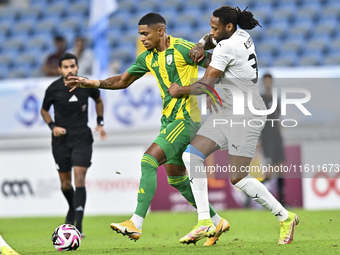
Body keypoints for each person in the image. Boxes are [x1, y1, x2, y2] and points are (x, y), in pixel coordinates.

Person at [65, 13, 228, 245]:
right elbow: (123, 80)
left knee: (148, 160)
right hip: (169, 120)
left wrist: (191, 85)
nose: (142, 38)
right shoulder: (148, 58)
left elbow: (217, 68)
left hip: (185, 120)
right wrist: (93, 83)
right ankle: (216, 220)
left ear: (160, 31)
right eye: (140, 34)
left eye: (145, 33)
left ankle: (136, 223)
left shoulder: (183, 49)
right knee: (176, 179)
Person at [167, 6, 299, 245]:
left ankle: (286, 217)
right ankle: (205, 221)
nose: (211, 32)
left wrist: (180, 90)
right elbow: (210, 43)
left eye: (215, 28)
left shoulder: (228, 46)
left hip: (246, 114)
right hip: (227, 110)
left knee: (238, 178)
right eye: (210, 27)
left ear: (228, 27)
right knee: (191, 157)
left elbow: (205, 85)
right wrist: (199, 44)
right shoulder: (241, 36)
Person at [41, 53, 107, 237]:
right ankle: (72, 208)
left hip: (82, 137)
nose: (70, 70)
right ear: (60, 69)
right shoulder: (53, 89)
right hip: (61, 139)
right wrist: (52, 126)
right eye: (66, 67)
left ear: (77, 68)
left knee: (79, 177)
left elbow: (99, 100)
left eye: (73, 66)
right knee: (65, 183)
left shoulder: (86, 84)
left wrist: (100, 123)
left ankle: (78, 226)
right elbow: (44, 110)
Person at [260, 73, 286, 206]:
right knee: (271, 168)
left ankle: (282, 200)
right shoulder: (260, 99)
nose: (268, 83)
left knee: (280, 165)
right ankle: (255, 193)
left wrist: (281, 136)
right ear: (263, 83)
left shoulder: (277, 99)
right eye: (266, 81)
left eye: (270, 81)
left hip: (276, 137)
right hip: (266, 136)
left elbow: (278, 119)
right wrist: (258, 140)